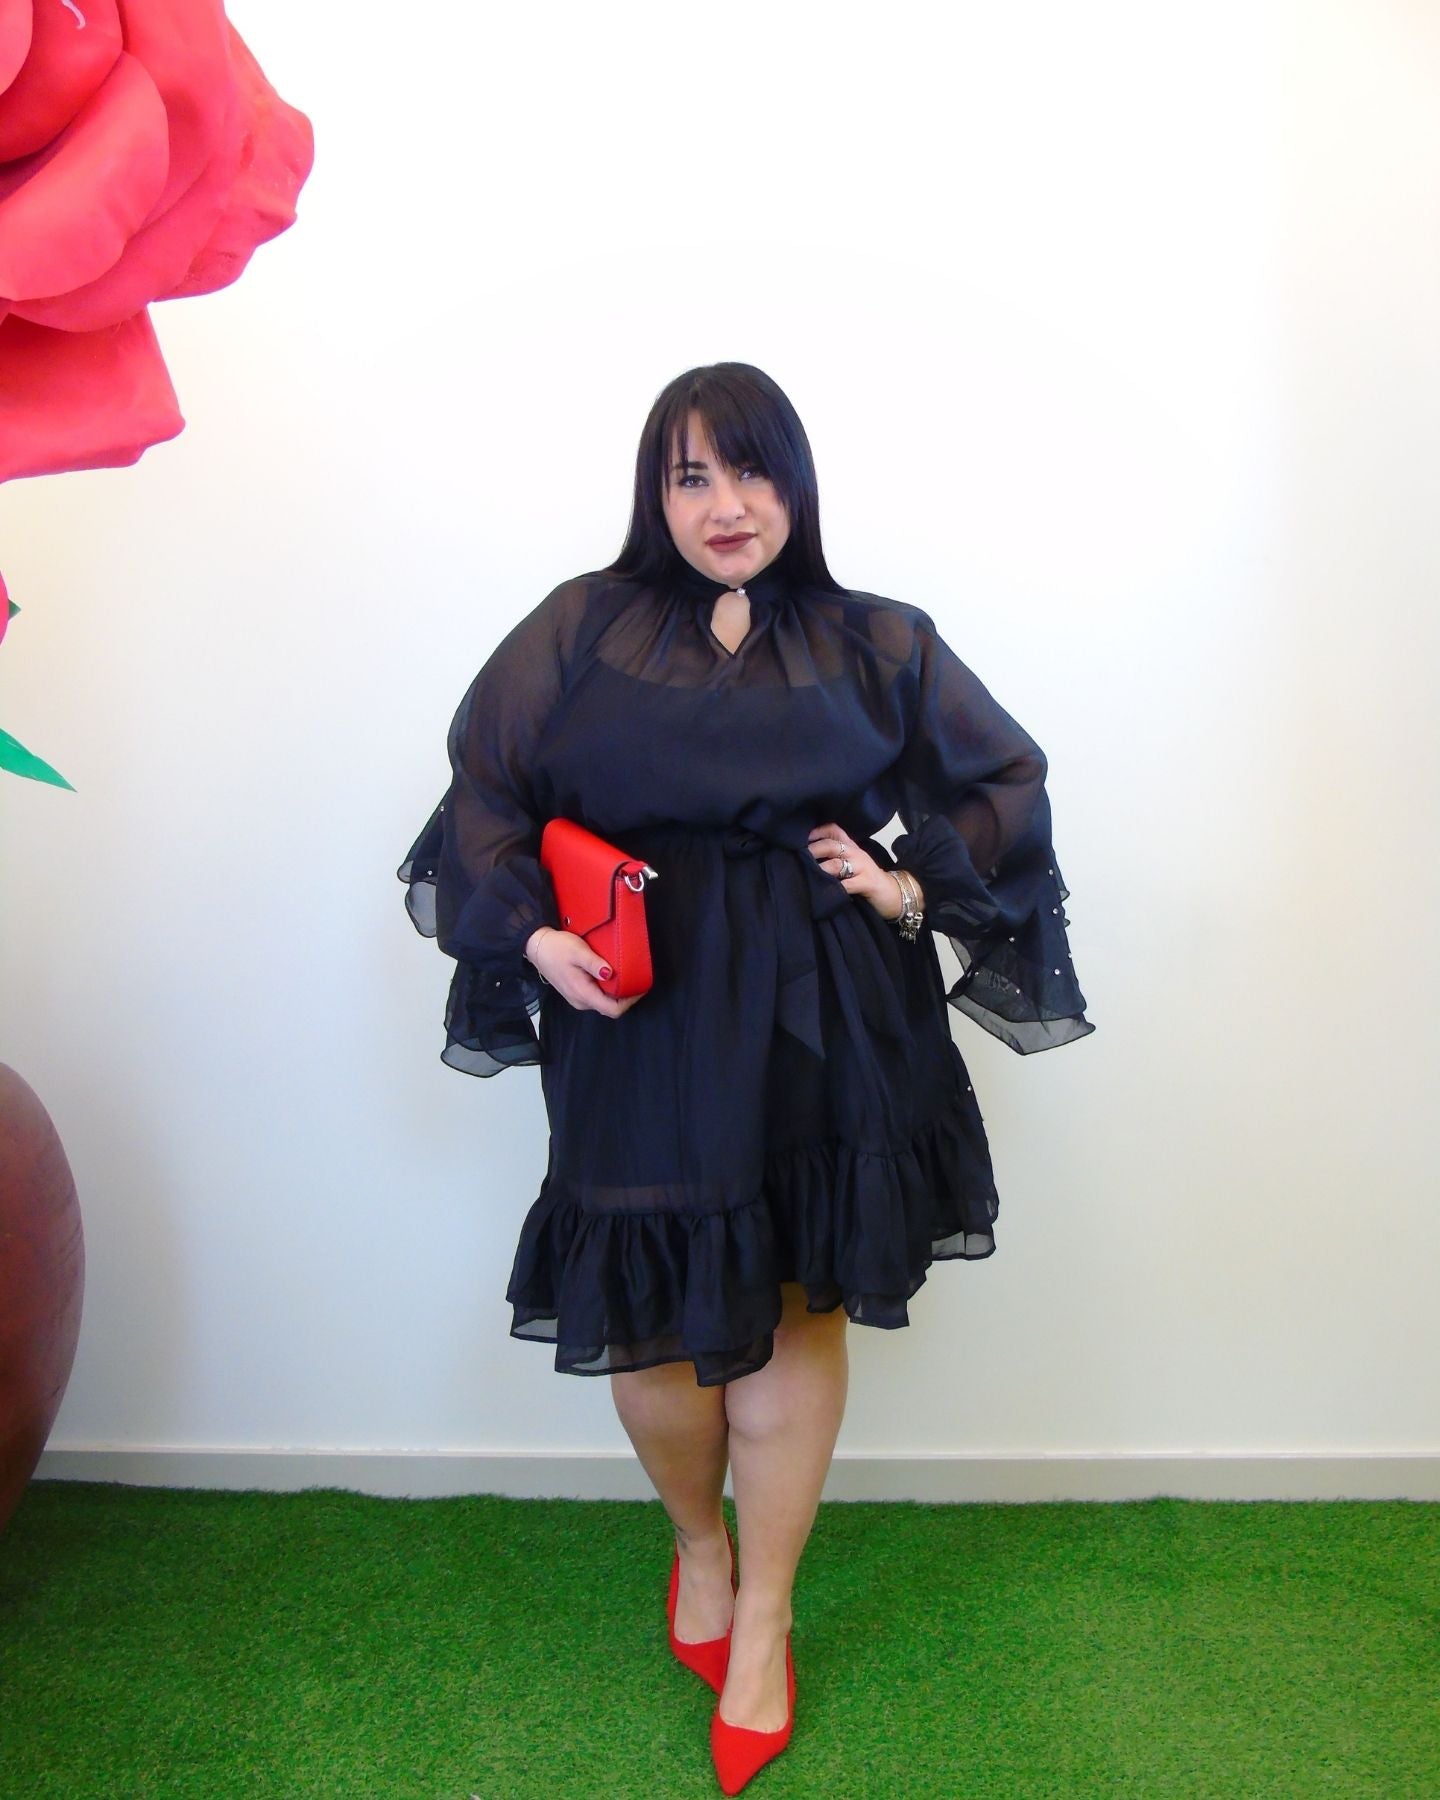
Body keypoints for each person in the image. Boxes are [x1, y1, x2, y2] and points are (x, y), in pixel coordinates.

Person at [399, 362, 1094, 1793]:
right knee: (657, 1329)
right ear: (654, 495)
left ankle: (765, 1615)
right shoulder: (578, 627)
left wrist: (907, 887)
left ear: (799, 483)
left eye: (753, 469)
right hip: (641, 1001)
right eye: (692, 475)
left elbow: (1007, 778)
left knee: (793, 1305)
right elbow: (484, 791)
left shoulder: (876, 637)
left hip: (829, 1001)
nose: (727, 504)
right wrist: (533, 934)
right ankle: (698, 1547)